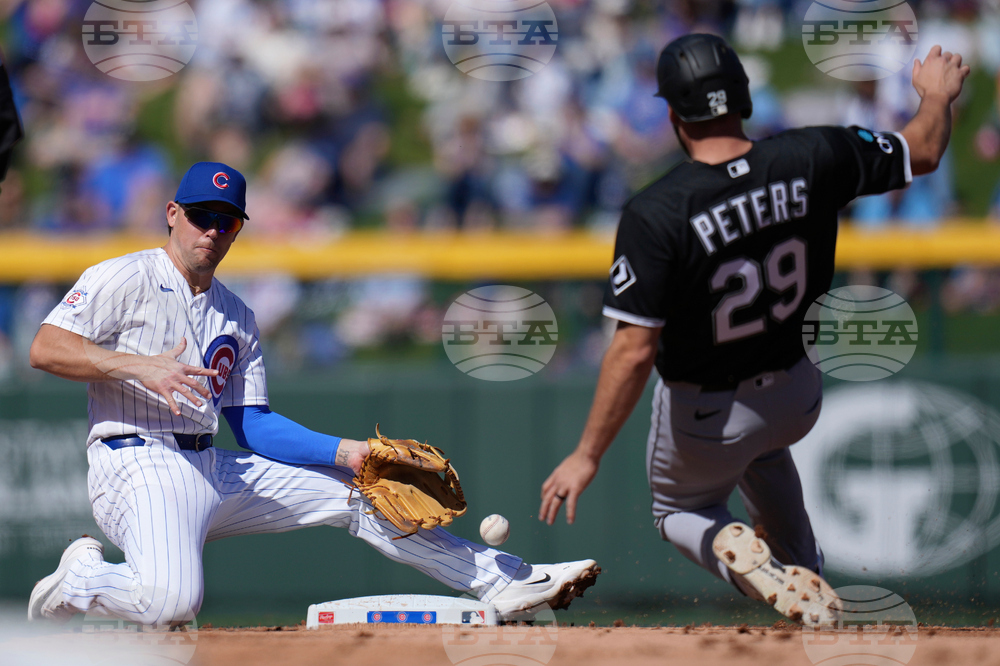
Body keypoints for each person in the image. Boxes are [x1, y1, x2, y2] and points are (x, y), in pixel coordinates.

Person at [27, 161, 600, 626]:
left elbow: (253, 426)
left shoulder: (238, 315)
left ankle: (503, 579)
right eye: (201, 215)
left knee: (357, 490)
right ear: (173, 214)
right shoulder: (123, 275)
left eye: (226, 221)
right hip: (136, 461)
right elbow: (45, 348)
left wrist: (348, 453)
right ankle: (83, 577)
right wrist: (135, 366)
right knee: (171, 604)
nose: (211, 231)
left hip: (209, 465)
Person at [539, 35, 969, 626]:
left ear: (671, 115)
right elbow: (922, 149)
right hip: (796, 392)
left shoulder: (657, 211)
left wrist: (586, 455)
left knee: (678, 509)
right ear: (743, 96)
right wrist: (936, 95)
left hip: (707, 415)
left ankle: (731, 548)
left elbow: (634, 351)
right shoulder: (814, 153)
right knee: (764, 459)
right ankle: (802, 573)